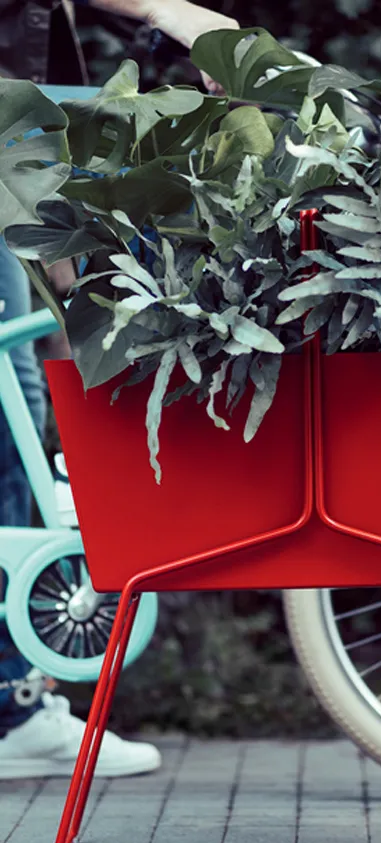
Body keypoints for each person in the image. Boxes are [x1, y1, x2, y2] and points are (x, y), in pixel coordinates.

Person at [0, 0, 239, 778]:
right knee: (13, 415)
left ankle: (9, 706)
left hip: (11, 123)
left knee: (22, 397)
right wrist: (171, 10)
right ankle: (8, 708)